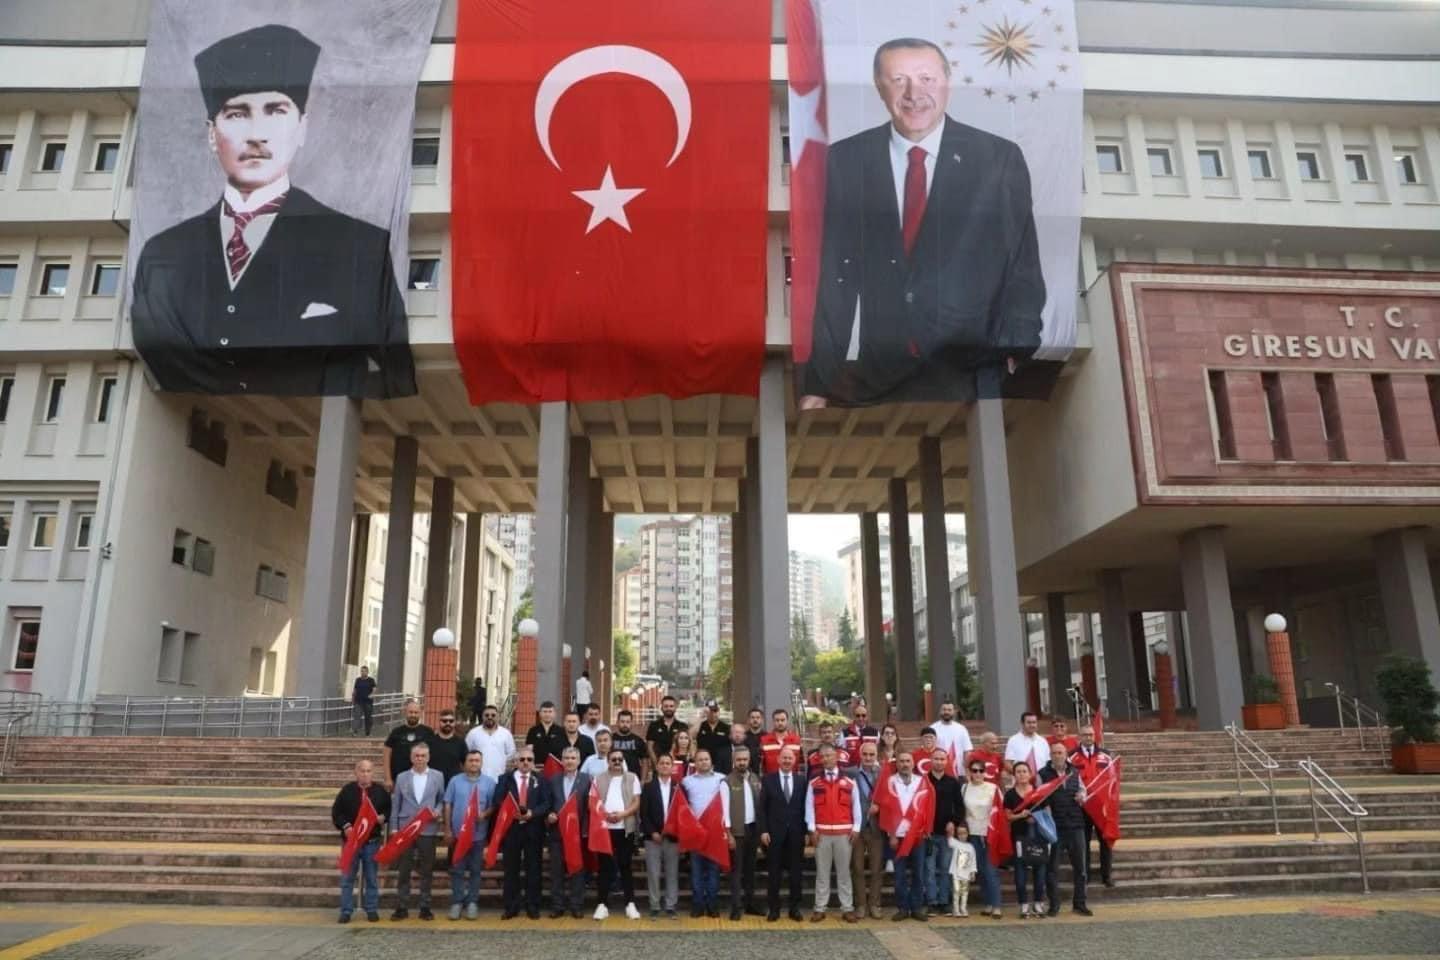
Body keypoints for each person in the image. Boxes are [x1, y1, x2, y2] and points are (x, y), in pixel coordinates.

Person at [130, 24, 415, 399]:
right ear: (212, 133)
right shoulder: (163, 254)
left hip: (319, 435)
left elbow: (392, 370)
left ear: (302, 128)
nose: (256, 134)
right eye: (236, 114)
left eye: (275, 111)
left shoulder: (359, 247)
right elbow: (159, 352)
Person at [798, 36, 1044, 408]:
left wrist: (1017, 345)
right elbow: (836, 278)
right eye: (898, 80)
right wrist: (818, 382)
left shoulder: (997, 158)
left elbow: (1021, 262)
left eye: (926, 78)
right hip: (877, 377)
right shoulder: (845, 161)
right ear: (880, 88)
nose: (914, 93)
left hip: (971, 375)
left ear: (947, 82)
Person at [805, 744, 861, 923]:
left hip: (844, 833)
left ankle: (847, 908)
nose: (826, 759)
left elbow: (856, 806)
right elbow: (809, 807)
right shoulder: (814, 782)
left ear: (836, 756)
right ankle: (820, 908)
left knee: (844, 873)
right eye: (822, 757)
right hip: (821, 834)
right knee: (822, 873)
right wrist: (812, 829)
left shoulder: (850, 781)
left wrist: (857, 828)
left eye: (829, 755)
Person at [331, 758, 391, 923]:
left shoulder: (380, 791)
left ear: (373, 773)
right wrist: (345, 825)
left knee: (371, 878)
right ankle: (346, 911)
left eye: (368, 771)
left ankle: (371, 909)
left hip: (371, 843)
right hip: (351, 843)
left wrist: (383, 817)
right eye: (362, 771)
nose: (365, 774)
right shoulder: (347, 791)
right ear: (356, 772)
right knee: (347, 878)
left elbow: (388, 809)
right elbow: (337, 812)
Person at [390, 742, 443, 921]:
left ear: (428, 757)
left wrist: (438, 810)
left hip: (428, 829)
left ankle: (425, 906)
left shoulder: (438, 776)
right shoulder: (402, 777)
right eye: (416, 756)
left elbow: (441, 799)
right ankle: (402, 906)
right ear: (411, 757)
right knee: (404, 869)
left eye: (423, 756)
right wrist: (394, 828)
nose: (419, 759)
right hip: (406, 829)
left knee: (426, 870)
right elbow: (396, 804)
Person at [1040, 741, 1092, 917]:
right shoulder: (1043, 774)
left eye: (1060, 752)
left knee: (1081, 868)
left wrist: (1082, 797)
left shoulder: (1074, 772)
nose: (1057, 756)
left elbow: (1083, 792)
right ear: (1050, 755)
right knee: (1052, 869)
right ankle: (1054, 904)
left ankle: (1080, 903)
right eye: (1054, 753)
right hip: (1055, 827)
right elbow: (1039, 798)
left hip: (1076, 825)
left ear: (1065, 754)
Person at [442, 749, 495, 920]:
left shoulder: (489, 782)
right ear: (465, 763)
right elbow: (448, 804)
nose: (473, 763)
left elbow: (493, 805)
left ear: (481, 762)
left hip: (478, 835)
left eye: (477, 760)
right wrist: (448, 828)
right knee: (457, 870)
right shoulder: (455, 781)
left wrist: (485, 814)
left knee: (475, 870)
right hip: (458, 834)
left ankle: (472, 902)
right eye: (470, 760)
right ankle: (457, 902)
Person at [499, 748, 551, 920]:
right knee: (511, 870)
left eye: (529, 759)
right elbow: (497, 799)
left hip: (533, 829)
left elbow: (546, 803)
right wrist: (509, 810)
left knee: (534, 869)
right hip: (511, 830)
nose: (526, 762)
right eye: (522, 759)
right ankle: (511, 906)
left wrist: (533, 813)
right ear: (515, 762)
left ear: (534, 762)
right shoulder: (505, 779)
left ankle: (533, 905)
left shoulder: (541, 780)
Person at [757, 744, 806, 922]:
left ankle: (794, 908)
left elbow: (804, 808)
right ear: (778, 760)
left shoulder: (802, 780)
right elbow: (761, 808)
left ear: (794, 761)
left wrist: (807, 831)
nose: (786, 761)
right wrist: (763, 831)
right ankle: (774, 909)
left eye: (790, 758)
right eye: (784, 758)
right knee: (774, 874)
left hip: (796, 834)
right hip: (774, 835)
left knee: (796, 874)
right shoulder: (768, 780)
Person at [593, 749, 643, 921]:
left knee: (625, 865)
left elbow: (636, 802)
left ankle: (630, 904)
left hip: (625, 828)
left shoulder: (632, 777)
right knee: (604, 867)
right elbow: (593, 801)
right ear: (608, 761)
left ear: (623, 761)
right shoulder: (598, 778)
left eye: (619, 759)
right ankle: (602, 905)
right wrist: (606, 815)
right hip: (605, 828)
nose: (616, 762)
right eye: (613, 759)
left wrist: (622, 814)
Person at [681, 749, 730, 918]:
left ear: (711, 762)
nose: (703, 762)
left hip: (715, 833)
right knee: (696, 871)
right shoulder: (686, 781)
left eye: (706, 759)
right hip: (696, 832)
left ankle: (712, 905)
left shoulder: (722, 779)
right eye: (700, 760)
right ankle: (697, 905)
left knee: (713, 871)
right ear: (695, 762)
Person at [879, 751, 927, 922]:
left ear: (913, 763)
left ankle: (916, 907)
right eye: (901, 761)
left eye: (908, 761)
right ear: (896, 764)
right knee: (899, 875)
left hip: (917, 836)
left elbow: (927, 809)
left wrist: (925, 831)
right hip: (897, 837)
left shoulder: (922, 782)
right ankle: (902, 908)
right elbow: (887, 811)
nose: (905, 764)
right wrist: (891, 834)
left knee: (918, 874)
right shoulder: (890, 782)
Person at [544, 746, 590, 919]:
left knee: (577, 871)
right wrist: (549, 815)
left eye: (573, 758)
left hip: (576, 835)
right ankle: (557, 906)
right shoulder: (553, 779)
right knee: (556, 872)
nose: (569, 761)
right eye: (566, 758)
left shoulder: (586, 780)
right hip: (557, 834)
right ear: (562, 761)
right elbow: (548, 803)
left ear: (578, 761)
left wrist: (585, 831)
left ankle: (576, 906)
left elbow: (588, 808)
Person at [957, 756, 1003, 918]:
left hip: (988, 833)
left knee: (990, 870)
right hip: (971, 834)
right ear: (969, 772)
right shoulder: (964, 788)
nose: (977, 774)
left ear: (985, 772)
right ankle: (988, 903)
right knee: (979, 871)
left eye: (981, 770)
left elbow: (1000, 811)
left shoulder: (993, 788)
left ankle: (997, 905)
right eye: (974, 770)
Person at [1071, 723, 1115, 887]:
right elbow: (1069, 780)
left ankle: (1107, 876)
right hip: (1082, 806)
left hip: (1101, 806)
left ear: (1095, 736)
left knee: (1106, 841)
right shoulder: (1072, 757)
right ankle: (1085, 875)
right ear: (1079, 737)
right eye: (1085, 735)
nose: (1088, 737)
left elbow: (1113, 780)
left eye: (1090, 734)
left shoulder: (1106, 756)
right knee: (1084, 842)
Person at [724, 745, 764, 920]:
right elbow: (724, 811)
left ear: (749, 760)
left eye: (745, 759)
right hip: (736, 832)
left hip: (753, 830)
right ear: (734, 760)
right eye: (739, 759)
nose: (742, 762)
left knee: (750, 870)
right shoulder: (726, 781)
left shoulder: (755, 778)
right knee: (736, 871)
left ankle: (750, 904)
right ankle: (736, 907)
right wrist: (729, 834)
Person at [1004, 760, 1048, 919]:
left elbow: (1047, 812)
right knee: (1020, 872)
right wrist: (1020, 816)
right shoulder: (1010, 794)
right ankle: (1023, 904)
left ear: (1030, 774)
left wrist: (1036, 818)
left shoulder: (1038, 792)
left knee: (1040, 870)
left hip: (1038, 837)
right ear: (1014, 775)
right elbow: (1007, 816)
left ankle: (1038, 902)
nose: (1022, 774)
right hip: (1019, 838)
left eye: (1024, 771)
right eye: (1018, 771)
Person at [640, 753, 682, 918]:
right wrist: (652, 832)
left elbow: (681, 813)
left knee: (672, 872)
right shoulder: (649, 787)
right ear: (656, 767)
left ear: (672, 767)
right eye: (662, 763)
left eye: (668, 763)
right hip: (653, 837)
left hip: (672, 837)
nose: (665, 766)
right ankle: (655, 905)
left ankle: (671, 905)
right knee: (653, 872)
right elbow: (644, 814)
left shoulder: (678, 787)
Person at [849, 742, 886, 920]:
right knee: (856, 867)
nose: (869, 758)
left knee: (876, 868)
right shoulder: (850, 774)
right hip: (856, 828)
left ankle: (874, 904)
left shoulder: (884, 774)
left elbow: (890, 798)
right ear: (860, 755)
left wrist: (880, 806)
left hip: (877, 827)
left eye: (872, 755)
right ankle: (861, 904)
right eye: (866, 755)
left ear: (876, 756)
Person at [923, 746, 961, 916]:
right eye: (936, 758)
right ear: (930, 761)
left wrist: (954, 822)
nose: (939, 761)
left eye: (942, 759)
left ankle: (944, 901)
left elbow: (960, 807)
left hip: (947, 834)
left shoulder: (953, 782)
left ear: (947, 761)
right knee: (929, 869)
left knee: (946, 869)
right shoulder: (923, 781)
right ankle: (932, 901)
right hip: (928, 833)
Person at [383, 699, 433, 788]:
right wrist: (388, 778)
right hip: (398, 779)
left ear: (420, 714)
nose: (413, 715)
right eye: (410, 712)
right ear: (405, 713)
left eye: (416, 712)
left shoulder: (428, 732)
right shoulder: (396, 732)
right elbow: (386, 754)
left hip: (421, 779)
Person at [464, 703, 516, 780]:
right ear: (482, 716)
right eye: (487, 715)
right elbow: (466, 752)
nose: (490, 717)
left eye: (493, 715)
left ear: (498, 717)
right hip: (477, 778)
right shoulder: (473, 733)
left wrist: (501, 762)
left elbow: (511, 754)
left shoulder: (506, 734)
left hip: (499, 778)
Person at [427, 710, 468, 785]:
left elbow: (466, 763)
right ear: (439, 722)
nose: (448, 723)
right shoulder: (430, 742)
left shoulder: (460, 742)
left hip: (453, 784)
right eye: (444, 721)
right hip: (433, 784)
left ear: (454, 723)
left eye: (451, 721)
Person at [1005, 711, 1051, 777]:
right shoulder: (1013, 740)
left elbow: (1048, 761)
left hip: (1041, 779)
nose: (1032, 725)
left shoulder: (1042, 741)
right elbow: (1008, 763)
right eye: (1029, 722)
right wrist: (1020, 775)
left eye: (1034, 722)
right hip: (1021, 781)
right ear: (1022, 723)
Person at [645, 696, 688, 765]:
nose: (668, 708)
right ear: (661, 708)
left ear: (675, 708)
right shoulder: (654, 725)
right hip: (659, 764)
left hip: (678, 764)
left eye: (671, 706)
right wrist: (656, 764)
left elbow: (688, 745)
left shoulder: (682, 726)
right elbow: (649, 747)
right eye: (666, 706)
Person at [932, 699, 974, 770]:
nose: (946, 712)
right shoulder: (933, 728)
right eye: (944, 709)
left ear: (954, 711)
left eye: (949, 710)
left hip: (959, 771)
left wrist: (966, 768)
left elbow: (967, 751)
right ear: (940, 711)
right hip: (938, 771)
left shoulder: (961, 729)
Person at [759, 709, 801, 775]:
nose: (780, 723)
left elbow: (800, 764)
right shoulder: (764, 740)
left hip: (791, 781)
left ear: (787, 721)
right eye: (777, 720)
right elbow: (761, 765)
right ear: (773, 722)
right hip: (771, 781)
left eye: (782, 720)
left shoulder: (796, 740)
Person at [609, 709, 646, 776]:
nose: (625, 724)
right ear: (617, 722)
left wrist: (643, 780)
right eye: (622, 721)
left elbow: (645, 761)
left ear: (632, 723)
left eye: (627, 722)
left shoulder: (638, 740)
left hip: (633, 778)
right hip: (614, 777)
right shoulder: (610, 739)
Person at [351, 667, 376, 736]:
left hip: (367, 702)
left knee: (368, 718)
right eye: (361, 671)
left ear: (367, 672)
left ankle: (367, 732)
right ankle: (355, 731)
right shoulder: (358, 680)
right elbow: (355, 690)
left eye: (364, 671)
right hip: (358, 701)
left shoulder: (371, 680)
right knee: (357, 717)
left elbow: (374, 689)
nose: (363, 672)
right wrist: (353, 698)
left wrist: (372, 695)